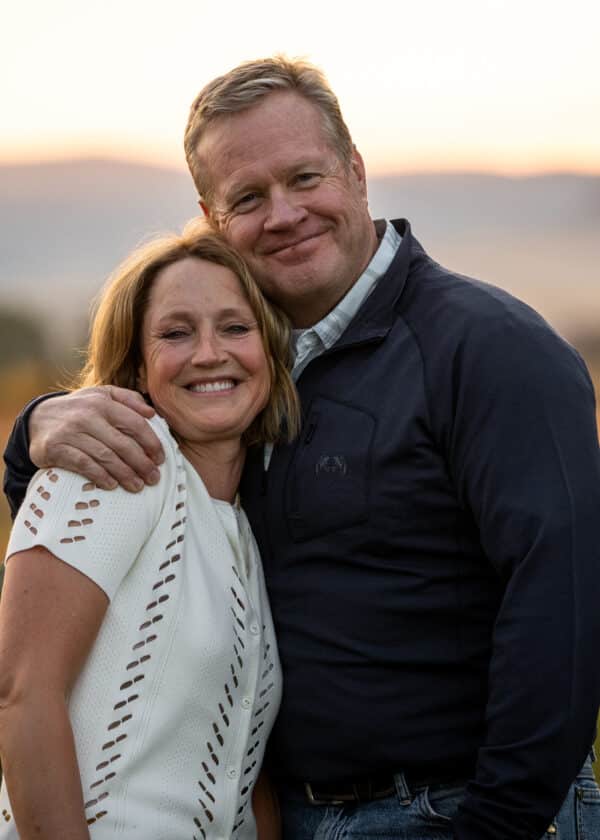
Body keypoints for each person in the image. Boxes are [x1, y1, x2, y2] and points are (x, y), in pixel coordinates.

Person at [4, 56, 600, 840]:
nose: (282, 214)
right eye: (248, 197)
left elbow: (566, 599)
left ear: (355, 172)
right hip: (291, 818)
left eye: (305, 178)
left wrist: (497, 823)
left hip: (456, 812)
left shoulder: (488, 349)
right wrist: (36, 430)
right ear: (213, 217)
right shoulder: (248, 374)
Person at [0, 220, 299, 838]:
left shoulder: (245, 530)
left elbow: (241, 773)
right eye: (176, 333)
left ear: (269, 354)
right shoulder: (113, 466)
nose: (210, 353)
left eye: (236, 327)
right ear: (138, 368)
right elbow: (19, 694)